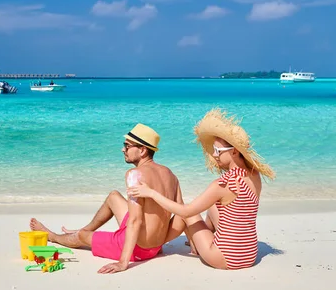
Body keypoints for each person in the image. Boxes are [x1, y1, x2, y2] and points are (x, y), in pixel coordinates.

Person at [127, 108, 275, 270]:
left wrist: (151, 193)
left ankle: (197, 244)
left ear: (234, 151)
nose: (215, 155)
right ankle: (203, 236)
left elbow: (185, 212)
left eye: (218, 151)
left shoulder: (223, 184)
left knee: (191, 214)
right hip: (250, 254)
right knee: (213, 204)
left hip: (225, 257)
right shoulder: (255, 176)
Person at [30, 123, 184, 274]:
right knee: (113, 196)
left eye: (127, 146)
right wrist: (163, 239)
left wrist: (123, 262)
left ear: (143, 150)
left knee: (82, 237)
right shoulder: (170, 175)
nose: (123, 149)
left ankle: (54, 237)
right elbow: (182, 214)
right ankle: (87, 228)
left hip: (138, 249)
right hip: (155, 246)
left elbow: (135, 221)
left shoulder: (134, 175)